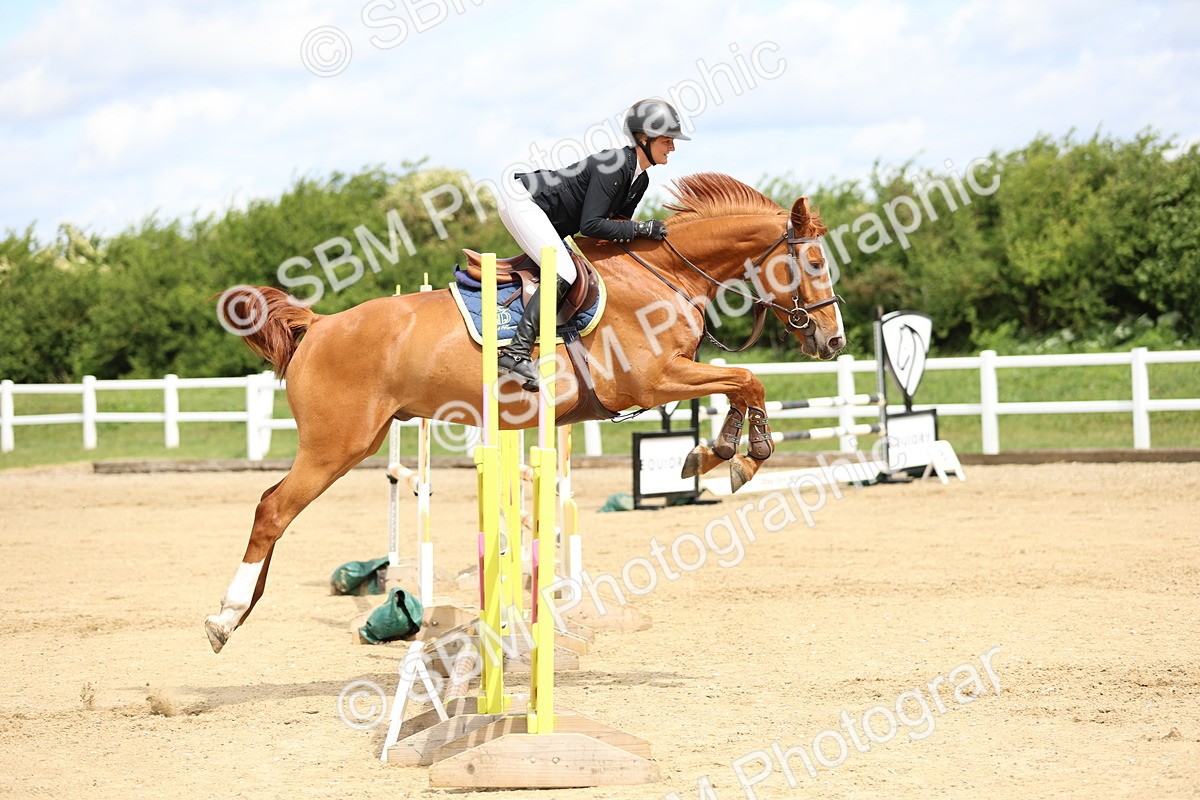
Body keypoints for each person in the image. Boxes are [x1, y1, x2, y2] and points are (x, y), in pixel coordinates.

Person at [495, 98, 690, 390]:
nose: (672, 147)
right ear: (644, 139)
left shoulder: (640, 180)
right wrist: (643, 228)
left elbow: (614, 231)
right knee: (565, 272)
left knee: (579, 270)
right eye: (667, 140)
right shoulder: (613, 166)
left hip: (548, 217)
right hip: (522, 200)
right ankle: (515, 353)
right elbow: (592, 225)